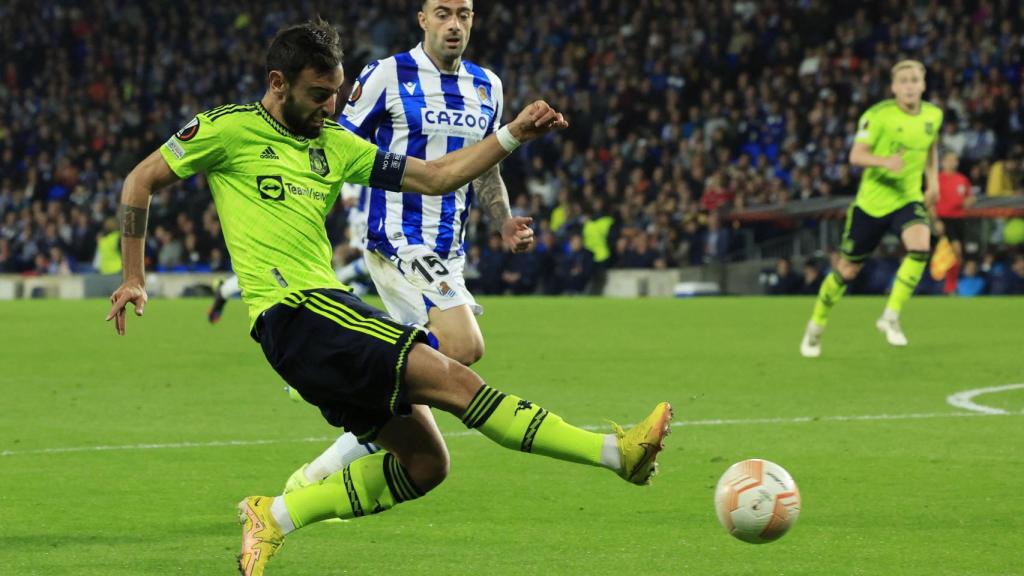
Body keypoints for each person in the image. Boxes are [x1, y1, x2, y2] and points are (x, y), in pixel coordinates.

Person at [103, 18, 672, 576]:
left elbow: (436, 176)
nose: (330, 107)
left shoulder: (336, 144)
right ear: (277, 83)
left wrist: (512, 135)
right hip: (301, 313)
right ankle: (613, 454)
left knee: (426, 465)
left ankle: (274, 514)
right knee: (458, 381)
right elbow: (140, 180)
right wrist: (135, 275)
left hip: (312, 330)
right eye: (318, 95)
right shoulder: (227, 129)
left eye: (336, 94)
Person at [280, 0, 538, 495]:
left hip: (448, 247)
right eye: (443, 13)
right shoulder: (386, 74)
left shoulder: (488, 85)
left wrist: (502, 221)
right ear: (422, 20)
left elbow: (486, 163)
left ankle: (314, 474)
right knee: (462, 346)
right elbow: (334, 143)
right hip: (397, 237)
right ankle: (346, 364)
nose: (454, 24)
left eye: (463, 14)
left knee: (411, 385)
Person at [800, 60, 942, 357]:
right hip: (871, 205)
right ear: (893, 87)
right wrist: (884, 161)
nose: (909, 86)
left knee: (920, 246)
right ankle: (816, 325)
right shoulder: (877, 116)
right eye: (903, 80)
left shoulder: (933, 115)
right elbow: (856, 155)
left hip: (907, 198)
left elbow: (930, 147)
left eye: (914, 80)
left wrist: (933, 182)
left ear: (923, 84)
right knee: (847, 271)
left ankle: (890, 316)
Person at [934, 151, 974, 291]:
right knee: (952, 251)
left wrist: (969, 201)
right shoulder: (937, 179)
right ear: (943, 162)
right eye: (949, 160)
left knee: (957, 254)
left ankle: (951, 285)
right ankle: (946, 285)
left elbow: (970, 197)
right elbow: (930, 202)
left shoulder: (962, 179)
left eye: (955, 160)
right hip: (944, 219)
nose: (953, 163)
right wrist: (935, 220)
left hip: (959, 219)